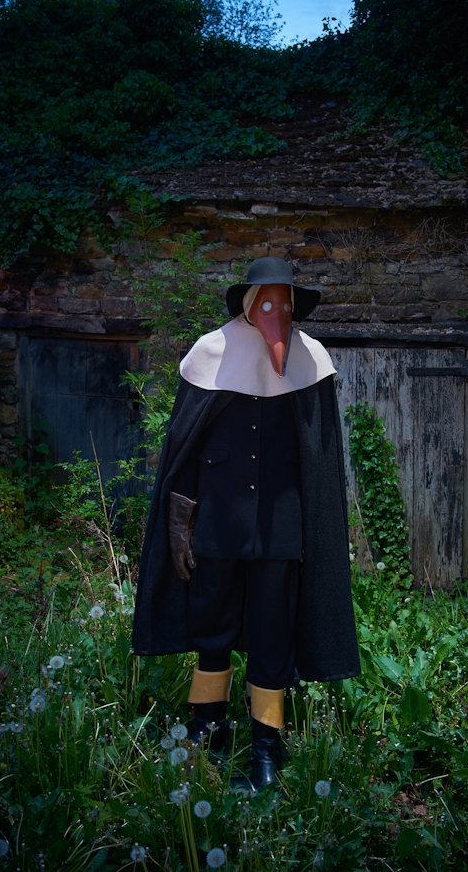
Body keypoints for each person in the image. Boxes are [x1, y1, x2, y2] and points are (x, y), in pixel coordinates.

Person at [132, 257, 360, 792]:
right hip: (218, 527)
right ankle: (206, 734)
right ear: (248, 303)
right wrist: (179, 523)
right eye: (267, 301)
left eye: (284, 302)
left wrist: (313, 536)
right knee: (211, 630)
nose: (276, 311)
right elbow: (181, 451)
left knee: (271, 634)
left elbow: (321, 460)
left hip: (281, 533)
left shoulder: (311, 361)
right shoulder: (211, 354)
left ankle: (266, 747)